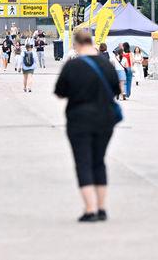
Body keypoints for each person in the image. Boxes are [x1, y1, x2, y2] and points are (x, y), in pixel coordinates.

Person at [54, 29, 121, 223]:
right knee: (99, 161)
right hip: (105, 119)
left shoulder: (72, 66)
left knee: (83, 162)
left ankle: (90, 209)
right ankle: (102, 208)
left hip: (79, 119)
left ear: (75, 44)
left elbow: (60, 92)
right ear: (91, 42)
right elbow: (116, 89)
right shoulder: (106, 64)